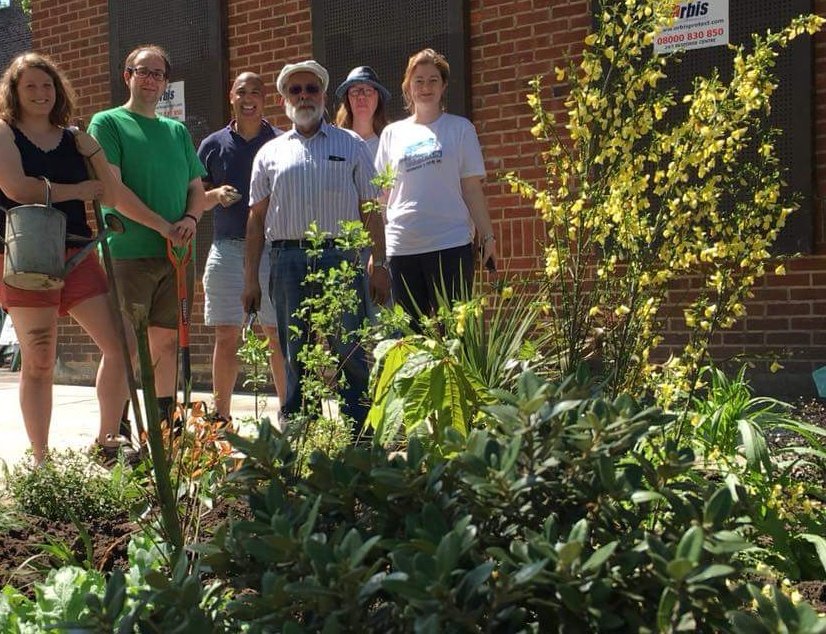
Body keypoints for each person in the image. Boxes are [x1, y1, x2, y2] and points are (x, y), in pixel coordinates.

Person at [242, 59, 389, 434]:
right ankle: (298, 437)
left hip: (342, 258)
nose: (304, 96)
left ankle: (359, 436)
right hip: (287, 260)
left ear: (323, 95)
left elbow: (370, 210)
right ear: (284, 98)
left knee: (350, 350)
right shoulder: (269, 154)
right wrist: (250, 280)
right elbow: (256, 221)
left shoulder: (352, 144)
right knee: (295, 352)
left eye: (311, 89)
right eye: (296, 90)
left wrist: (381, 263)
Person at [0, 52, 131, 465]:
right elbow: (18, 189)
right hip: (28, 254)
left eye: (47, 85)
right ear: (15, 93)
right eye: (30, 86)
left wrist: (92, 150)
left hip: (79, 250)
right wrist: (77, 191)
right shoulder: (4, 131)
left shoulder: (73, 137)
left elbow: (108, 194)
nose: (40, 93)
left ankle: (107, 442)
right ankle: (41, 462)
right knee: (39, 359)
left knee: (123, 343)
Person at [89, 44, 206, 426]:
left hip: (176, 256)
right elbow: (113, 190)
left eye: (158, 74)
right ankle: (112, 433)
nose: (151, 79)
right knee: (125, 348)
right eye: (144, 71)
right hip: (128, 253)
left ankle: (163, 430)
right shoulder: (107, 123)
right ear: (127, 76)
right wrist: (162, 226)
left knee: (167, 342)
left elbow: (196, 188)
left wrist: (190, 218)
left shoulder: (176, 131)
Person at [375, 48, 497, 326]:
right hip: (402, 247)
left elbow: (472, 189)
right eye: (419, 80)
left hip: (450, 244)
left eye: (433, 80)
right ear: (408, 87)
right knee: (411, 336)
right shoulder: (392, 134)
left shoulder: (460, 129)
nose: (425, 87)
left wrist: (488, 237)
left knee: (456, 334)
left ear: (443, 86)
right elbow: (382, 196)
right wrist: (378, 252)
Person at [197, 71, 286, 421]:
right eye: (241, 92)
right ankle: (220, 416)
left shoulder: (281, 141)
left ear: (265, 100)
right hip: (227, 248)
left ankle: (288, 411)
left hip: (271, 251)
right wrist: (214, 194)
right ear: (231, 97)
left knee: (276, 333)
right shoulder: (213, 145)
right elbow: (194, 201)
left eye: (256, 93)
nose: (248, 98)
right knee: (226, 333)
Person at [334, 66, 391, 320]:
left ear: (378, 98)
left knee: (385, 329)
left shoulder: (390, 142)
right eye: (355, 91)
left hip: (383, 248)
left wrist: (380, 257)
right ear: (347, 98)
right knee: (346, 334)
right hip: (341, 250)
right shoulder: (335, 143)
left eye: (368, 91)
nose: (362, 97)